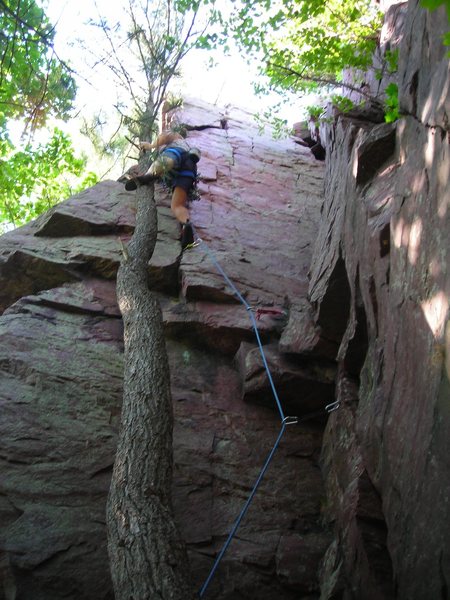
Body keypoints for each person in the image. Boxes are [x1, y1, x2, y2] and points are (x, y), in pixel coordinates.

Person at [121, 130, 201, 249]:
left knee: (166, 160)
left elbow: (165, 136)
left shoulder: (177, 137)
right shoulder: (189, 147)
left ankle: (149, 175)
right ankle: (186, 223)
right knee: (177, 206)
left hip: (176, 153)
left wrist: (150, 146)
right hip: (189, 169)